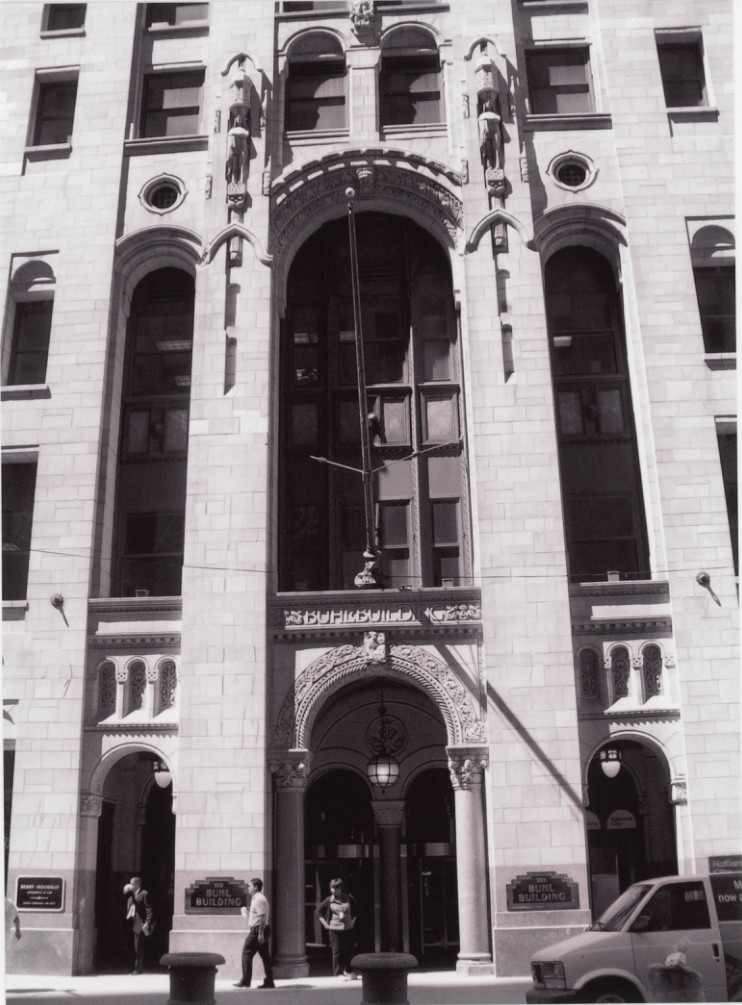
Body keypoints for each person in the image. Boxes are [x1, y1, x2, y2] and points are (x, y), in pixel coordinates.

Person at [234, 878, 275, 989]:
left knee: (246, 953)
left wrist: (260, 933)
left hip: (257, 930)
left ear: (256, 887)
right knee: (265, 956)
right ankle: (269, 981)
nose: (248, 888)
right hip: (260, 929)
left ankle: (245, 981)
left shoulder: (258, 899)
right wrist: (247, 913)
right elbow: (258, 916)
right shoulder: (257, 899)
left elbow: (262, 917)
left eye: (250, 886)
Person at [315, 878, 358, 979]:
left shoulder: (348, 897)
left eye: (335, 888)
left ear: (340, 888)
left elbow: (356, 909)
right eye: (331, 888)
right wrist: (325, 925)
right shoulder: (329, 900)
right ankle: (338, 973)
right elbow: (318, 911)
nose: (333, 890)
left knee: (349, 950)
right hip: (334, 928)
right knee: (337, 951)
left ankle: (349, 971)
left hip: (347, 928)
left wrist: (353, 921)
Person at [123, 876, 154, 975]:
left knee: (138, 947)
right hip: (131, 924)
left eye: (132, 884)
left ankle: (138, 969)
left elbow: (149, 910)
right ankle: (132, 967)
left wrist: (147, 923)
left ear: (137, 884)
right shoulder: (130, 894)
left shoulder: (144, 894)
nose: (130, 885)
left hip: (140, 924)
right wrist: (125, 891)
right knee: (130, 947)